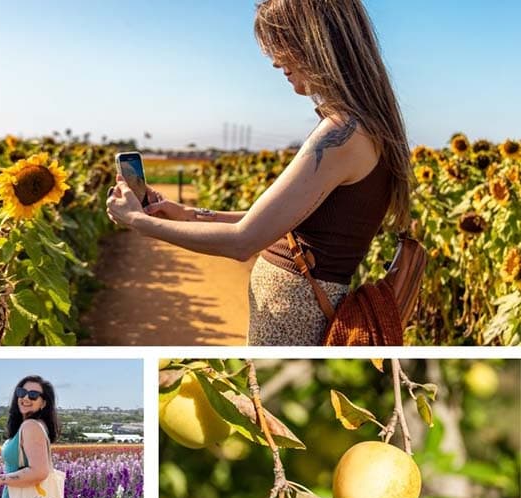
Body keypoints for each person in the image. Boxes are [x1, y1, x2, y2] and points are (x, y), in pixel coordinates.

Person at [105, 0, 412, 346]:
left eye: (282, 42)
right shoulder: (359, 128)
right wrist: (187, 214)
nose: (275, 59)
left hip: (296, 319)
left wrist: (138, 221)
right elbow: (276, 224)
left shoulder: (342, 134)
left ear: (317, 41)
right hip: (295, 313)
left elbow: (244, 241)